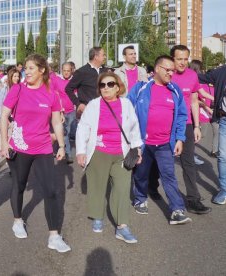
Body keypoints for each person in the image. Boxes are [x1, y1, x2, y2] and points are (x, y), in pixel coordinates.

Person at [0, 54, 71, 253]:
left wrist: (62, 146)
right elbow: (4, 115)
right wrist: (5, 143)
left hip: (43, 148)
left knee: (51, 191)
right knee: (19, 185)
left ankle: (54, 236)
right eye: (26, 68)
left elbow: (56, 121)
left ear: (42, 71)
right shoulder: (18, 89)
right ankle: (17, 220)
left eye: (32, 68)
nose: (27, 72)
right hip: (20, 147)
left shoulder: (51, 93)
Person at [76, 72, 142, 243]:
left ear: (118, 87)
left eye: (110, 84)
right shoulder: (93, 105)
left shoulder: (126, 104)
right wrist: (81, 151)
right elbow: (83, 127)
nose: (106, 88)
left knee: (122, 188)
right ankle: (98, 216)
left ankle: (122, 226)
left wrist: (137, 149)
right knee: (97, 186)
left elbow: (134, 128)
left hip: (122, 153)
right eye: (102, 85)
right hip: (99, 151)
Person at [127, 55, 192, 225]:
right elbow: (127, 110)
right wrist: (132, 141)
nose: (171, 73)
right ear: (157, 69)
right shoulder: (141, 88)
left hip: (165, 144)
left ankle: (177, 210)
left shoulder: (175, 90)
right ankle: (140, 198)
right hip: (143, 143)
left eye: (173, 70)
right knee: (141, 174)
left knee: (169, 176)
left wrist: (179, 138)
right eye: (167, 69)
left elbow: (182, 116)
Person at [169, 45, 211, 214]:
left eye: (185, 59)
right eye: (179, 59)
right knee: (160, 162)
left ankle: (193, 199)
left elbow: (194, 101)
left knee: (188, 162)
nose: (183, 62)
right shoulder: (167, 74)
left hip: (185, 124)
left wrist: (196, 126)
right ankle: (150, 186)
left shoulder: (192, 75)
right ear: (172, 59)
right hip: (165, 124)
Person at [199, 64, 226, 204]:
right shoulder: (221, 71)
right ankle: (224, 189)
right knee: (222, 156)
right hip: (224, 120)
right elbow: (200, 78)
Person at [65, 47, 108, 118]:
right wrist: (78, 104)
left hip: (104, 110)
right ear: (96, 57)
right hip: (87, 111)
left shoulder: (105, 71)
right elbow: (68, 89)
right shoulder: (82, 72)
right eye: (103, 55)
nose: (105, 57)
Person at [190, 60, 218, 157]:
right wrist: (206, 107)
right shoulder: (193, 80)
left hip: (207, 112)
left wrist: (217, 99)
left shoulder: (200, 82)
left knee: (214, 131)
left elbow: (203, 94)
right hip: (197, 112)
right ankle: (188, 152)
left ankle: (214, 151)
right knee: (198, 134)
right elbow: (193, 100)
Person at [51, 62, 76, 163]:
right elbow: (52, 93)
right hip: (59, 111)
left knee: (70, 133)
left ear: (71, 71)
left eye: (68, 71)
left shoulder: (74, 81)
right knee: (64, 132)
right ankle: (68, 154)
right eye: (64, 70)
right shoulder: (56, 80)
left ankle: (58, 148)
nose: (66, 73)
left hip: (72, 111)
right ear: (62, 70)